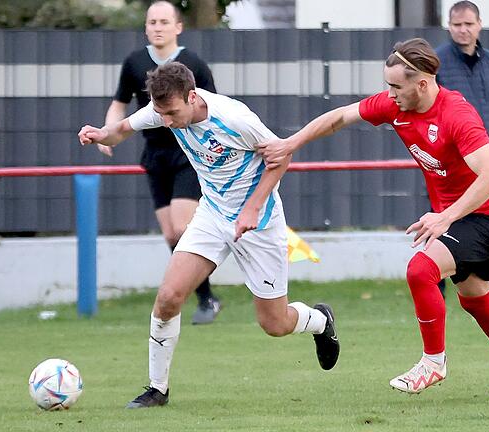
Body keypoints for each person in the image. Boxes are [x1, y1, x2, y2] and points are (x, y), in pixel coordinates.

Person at [257, 38, 489, 397]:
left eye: (395, 86)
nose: (389, 94)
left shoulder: (457, 115)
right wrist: (289, 143)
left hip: (487, 218)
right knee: (475, 298)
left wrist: (443, 218)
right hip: (457, 219)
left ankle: (433, 363)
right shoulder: (396, 106)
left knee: (421, 269)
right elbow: (339, 117)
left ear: (422, 84)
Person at [78, 62, 340, 408]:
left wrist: (253, 208)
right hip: (213, 216)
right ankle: (158, 389)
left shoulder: (235, 119)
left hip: (258, 224)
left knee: (274, 324)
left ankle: (320, 321)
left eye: (172, 113)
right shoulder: (163, 109)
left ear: (192, 96)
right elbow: (123, 128)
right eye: (161, 113)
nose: (166, 121)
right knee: (169, 296)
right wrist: (100, 133)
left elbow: (281, 157)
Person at [98, 0, 221, 325]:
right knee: (170, 234)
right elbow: (118, 103)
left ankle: (202, 298)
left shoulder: (192, 63)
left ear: (178, 27)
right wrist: (108, 133)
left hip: (188, 154)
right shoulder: (135, 62)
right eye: (152, 22)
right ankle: (204, 295)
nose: (157, 27)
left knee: (183, 227)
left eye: (164, 22)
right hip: (155, 156)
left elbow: (214, 106)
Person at [436, 1, 489, 156]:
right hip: (456, 156)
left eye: (469, 24)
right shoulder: (436, 62)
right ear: (449, 26)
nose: (463, 30)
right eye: (457, 24)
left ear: (479, 24)